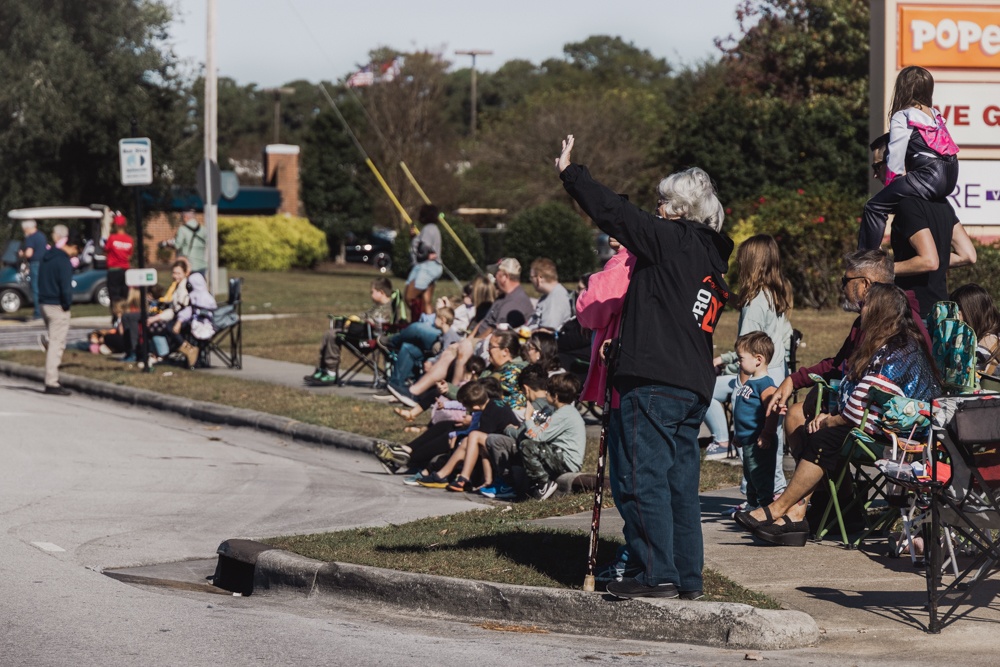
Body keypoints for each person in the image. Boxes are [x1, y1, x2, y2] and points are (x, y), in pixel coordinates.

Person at [558, 134, 734, 600]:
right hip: (690, 383)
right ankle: (685, 576)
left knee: (639, 479)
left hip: (655, 382)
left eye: (661, 202)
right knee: (677, 485)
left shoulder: (672, 241)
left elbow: (617, 215)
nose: (655, 209)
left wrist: (572, 174)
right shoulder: (708, 257)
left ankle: (655, 572)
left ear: (677, 210)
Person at [736, 284, 940, 546]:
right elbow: (852, 386)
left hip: (907, 432)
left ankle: (780, 509)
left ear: (879, 310)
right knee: (812, 427)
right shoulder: (883, 341)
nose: (860, 308)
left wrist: (831, 418)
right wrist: (828, 412)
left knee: (825, 436)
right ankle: (801, 512)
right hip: (882, 420)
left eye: (866, 305)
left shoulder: (899, 348)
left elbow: (860, 403)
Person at [766, 249, 932, 462]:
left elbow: (864, 375)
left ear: (865, 284)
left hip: (890, 421)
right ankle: (832, 494)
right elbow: (840, 364)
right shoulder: (883, 318)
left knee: (798, 416)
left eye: (846, 280)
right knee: (805, 410)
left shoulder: (893, 325)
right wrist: (795, 380)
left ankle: (817, 494)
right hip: (878, 412)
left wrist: (825, 405)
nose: (843, 287)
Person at [704, 234, 792, 487]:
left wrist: (742, 389)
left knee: (751, 437)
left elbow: (747, 349)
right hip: (775, 372)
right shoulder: (771, 293)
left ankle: (764, 491)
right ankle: (768, 490)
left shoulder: (754, 303)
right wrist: (723, 293)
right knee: (770, 436)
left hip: (754, 378)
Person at [868, 135, 977, 318]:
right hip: (941, 311)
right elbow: (968, 255)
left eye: (877, 166)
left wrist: (884, 269)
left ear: (895, 162)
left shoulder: (907, 204)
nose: (875, 174)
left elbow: (929, 260)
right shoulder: (941, 202)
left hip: (916, 314)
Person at [859, 66, 960, 250]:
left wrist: (891, 185)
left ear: (902, 89)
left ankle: (866, 259)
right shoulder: (935, 115)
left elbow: (896, 154)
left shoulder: (903, 115)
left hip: (929, 175)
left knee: (874, 207)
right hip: (951, 175)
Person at [304, 277, 394, 386]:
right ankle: (323, 368)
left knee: (333, 335)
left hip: (369, 338)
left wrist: (359, 320)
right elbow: (365, 315)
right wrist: (353, 318)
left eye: (372, 292)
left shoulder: (388, 309)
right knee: (328, 333)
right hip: (363, 333)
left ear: (381, 292)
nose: (371, 295)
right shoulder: (377, 307)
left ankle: (331, 372)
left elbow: (375, 322)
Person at [730, 332, 782, 511]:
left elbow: (773, 410)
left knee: (760, 476)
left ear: (758, 359)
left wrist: (767, 434)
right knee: (750, 476)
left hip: (760, 442)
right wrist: (739, 435)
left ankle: (766, 508)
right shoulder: (751, 382)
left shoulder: (765, 385)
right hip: (748, 441)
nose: (738, 362)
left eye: (741, 358)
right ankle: (752, 505)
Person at [37, 225, 77, 395]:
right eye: (76, 248)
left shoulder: (46, 258)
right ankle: (51, 382)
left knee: (54, 340)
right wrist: (67, 304)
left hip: (44, 303)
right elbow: (65, 287)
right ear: (70, 245)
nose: (76, 252)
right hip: (57, 305)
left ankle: (46, 341)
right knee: (57, 344)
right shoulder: (63, 262)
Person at [951, 283, 1000, 379]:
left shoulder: (985, 343)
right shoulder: (991, 337)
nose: (953, 317)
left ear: (971, 312)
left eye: (957, 310)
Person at [405, 204, 443, 323]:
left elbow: (424, 247)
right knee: (426, 301)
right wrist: (414, 237)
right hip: (429, 267)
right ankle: (429, 323)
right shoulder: (432, 229)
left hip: (426, 267)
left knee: (409, 297)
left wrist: (425, 254)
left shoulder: (428, 229)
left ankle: (419, 322)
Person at [526, 257, 573, 331]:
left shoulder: (556, 298)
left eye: (532, 277)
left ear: (539, 278)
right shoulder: (548, 296)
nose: (531, 281)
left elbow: (546, 332)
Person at [103, 213, 135, 315]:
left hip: (113, 270)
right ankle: (124, 315)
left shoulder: (112, 238)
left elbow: (106, 251)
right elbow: (129, 256)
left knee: (114, 295)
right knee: (124, 295)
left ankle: (115, 316)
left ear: (115, 225)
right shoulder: (130, 239)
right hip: (125, 270)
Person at [18, 219, 47, 320]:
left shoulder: (30, 238)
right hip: (43, 263)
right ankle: (45, 311)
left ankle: (38, 313)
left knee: (35, 288)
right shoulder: (41, 235)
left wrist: (22, 254)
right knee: (42, 287)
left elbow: (29, 253)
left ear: (27, 228)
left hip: (35, 264)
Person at [173, 209, 207, 274]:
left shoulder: (182, 229)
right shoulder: (203, 229)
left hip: (188, 265)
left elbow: (177, 245)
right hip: (202, 265)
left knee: (188, 284)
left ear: (185, 217)